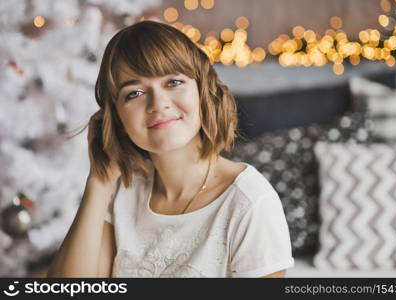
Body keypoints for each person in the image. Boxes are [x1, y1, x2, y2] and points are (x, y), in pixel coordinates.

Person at [47, 20, 294, 278]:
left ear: (203, 92)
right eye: (134, 93)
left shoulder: (249, 201)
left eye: (173, 82)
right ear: (117, 118)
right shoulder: (121, 192)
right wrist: (98, 184)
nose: (158, 103)